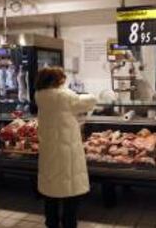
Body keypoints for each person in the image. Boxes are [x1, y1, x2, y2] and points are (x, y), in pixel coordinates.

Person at [35, 67, 96, 228]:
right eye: (62, 78)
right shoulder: (63, 95)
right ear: (57, 80)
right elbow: (89, 101)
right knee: (69, 194)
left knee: (51, 193)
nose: (64, 81)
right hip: (66, 153)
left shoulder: (40, 96)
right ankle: (69, 224)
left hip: (49, 152)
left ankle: (52, 223)